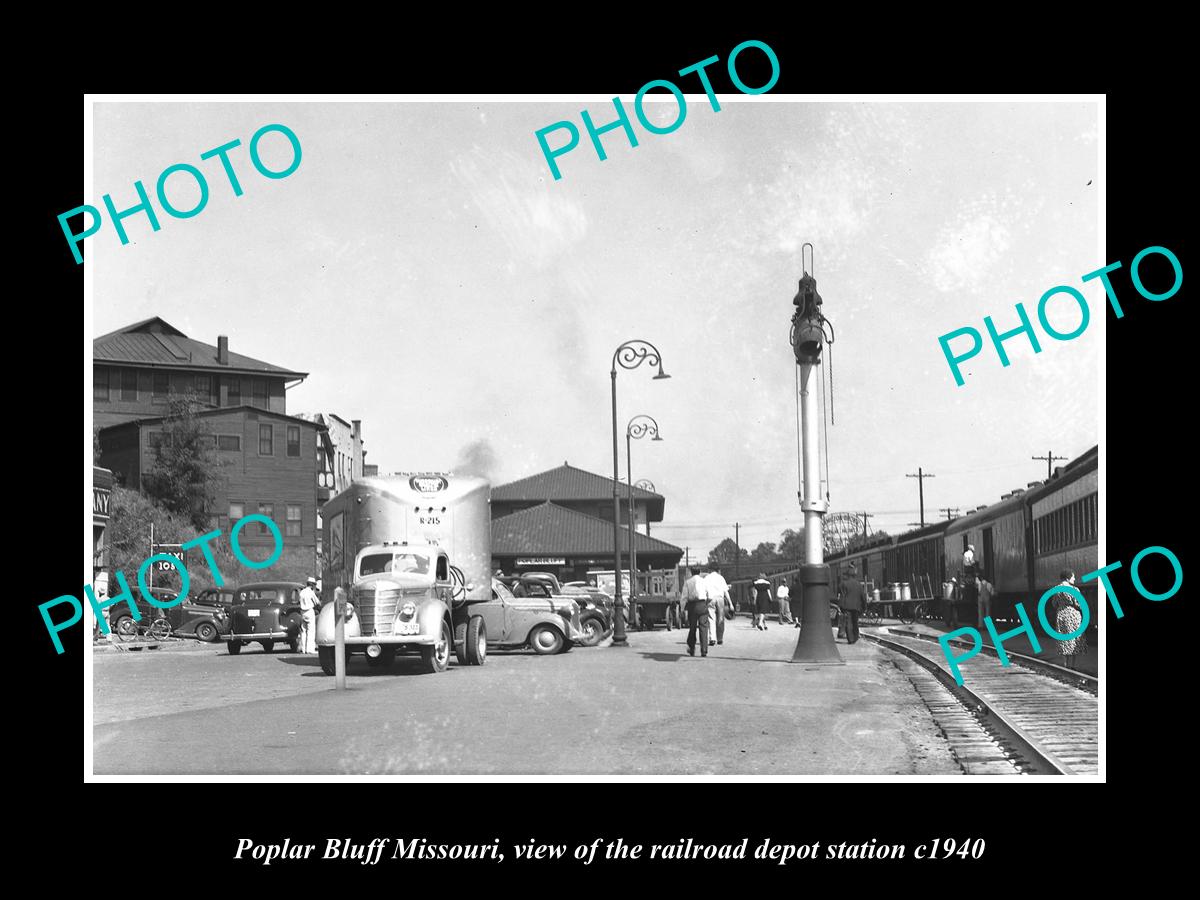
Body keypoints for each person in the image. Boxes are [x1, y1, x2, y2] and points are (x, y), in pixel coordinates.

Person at [1048, 569, 1088, 670]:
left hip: (1061, 615)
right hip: (1073, 615)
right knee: (1074, 639)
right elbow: (1078, 603)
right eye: (1073, 577)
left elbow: (1054, 603)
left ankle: (1065, 665)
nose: (1074, 579)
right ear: (1067, 578)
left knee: (1064, 639)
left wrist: (1061, 606)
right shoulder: (1074, 589)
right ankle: (1073, 666)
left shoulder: (1056, 589)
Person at [681, 565, 710, 657]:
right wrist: (707, 603)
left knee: (692, 628)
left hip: (692, 606)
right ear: (700, 572)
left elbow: (684, 597)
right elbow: (709, 595)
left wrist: (682, 609)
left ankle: (692, 648)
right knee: (703, 627)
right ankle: (704, 650)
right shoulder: (704, 581)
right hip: (702, 604)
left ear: (691, 572)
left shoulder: (688, 582)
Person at [838, 564, 866, 644]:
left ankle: (850, 639)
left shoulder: (843, 584)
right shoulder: (859, 584)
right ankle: (855, 637)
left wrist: (841, 606)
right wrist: (864, 607)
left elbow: (842, 595)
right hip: (856, 606)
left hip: (846, 606)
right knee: (855, 622)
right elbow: (862, 597)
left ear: (847, 575)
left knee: (848, 622)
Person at [704, 564, 731, 646]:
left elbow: (704, 590)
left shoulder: (707, 578)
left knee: (711, 618)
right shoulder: (721, 578)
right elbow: (725, 591)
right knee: (720, 619)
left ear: (710, 569)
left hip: (710, 599)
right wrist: (730, 603)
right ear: (717, 570)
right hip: (720, 599)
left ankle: (712, 638)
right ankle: (720, 639)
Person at [298, 576, 320, 654]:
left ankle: (303, 649)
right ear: (312, 585)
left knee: (303, 631)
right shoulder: (311, 592)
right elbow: (317, 602)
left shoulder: (302, 592)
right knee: (311, 631)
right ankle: (310, 649)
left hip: (302, 612)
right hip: (309, 611)